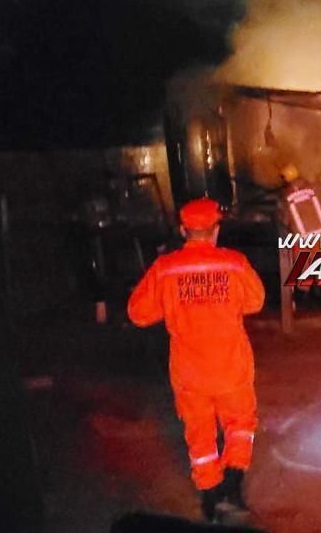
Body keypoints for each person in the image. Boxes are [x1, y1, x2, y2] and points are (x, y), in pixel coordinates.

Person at [127, 198, 265, 521]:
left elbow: (137, 313)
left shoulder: (165, 268)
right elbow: (255, 301)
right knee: (240, 424)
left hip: (190, 373)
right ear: (215, 230)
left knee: (199, 433)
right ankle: (233, 485)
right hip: (231, 367)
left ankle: (210, 497)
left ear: (182, 230)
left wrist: (174, 306)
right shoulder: (234, 263)